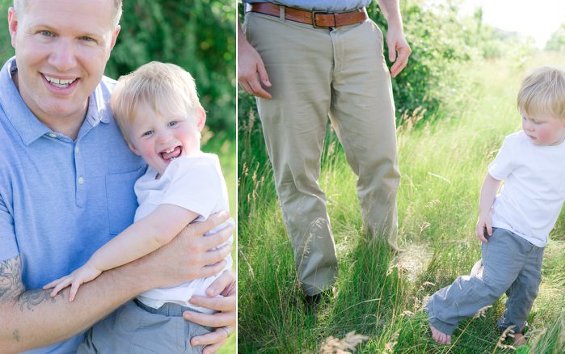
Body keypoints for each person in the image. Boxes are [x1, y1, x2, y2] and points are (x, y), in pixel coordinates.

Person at [0, 1, 235, 352]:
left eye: (86, 39)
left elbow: (199, 230)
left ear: (111, 41)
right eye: (46, 33)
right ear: (15, 26)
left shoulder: (138, 116)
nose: (64, 61)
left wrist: (224, 298)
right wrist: (147, 271)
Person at [425, 67, 565, 345]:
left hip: (535, 239)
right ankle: (440, 310)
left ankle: (510, 330)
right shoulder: (517, 144)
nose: (528, 126)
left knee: (526, 290)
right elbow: (493, 178)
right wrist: (484, 213)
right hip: (505, 228)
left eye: (537, 121)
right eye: (525, 117)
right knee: (493, 284)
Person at [41, 62, 234, 353]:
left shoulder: (198, 171)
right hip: (141, 305)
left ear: (198, 119)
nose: (164, 138)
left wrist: (96, 264)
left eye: (173, 123)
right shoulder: (152, 178)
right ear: (132, 146)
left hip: (175, 317)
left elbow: (157, 232)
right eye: (148, 133)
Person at [237, 0, 411, 300]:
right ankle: (318, 285)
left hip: (358, 29)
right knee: (297, 171)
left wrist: (394, 21)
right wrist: (239, 45)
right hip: (280, 30)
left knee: (381, 160)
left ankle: (380, 262)